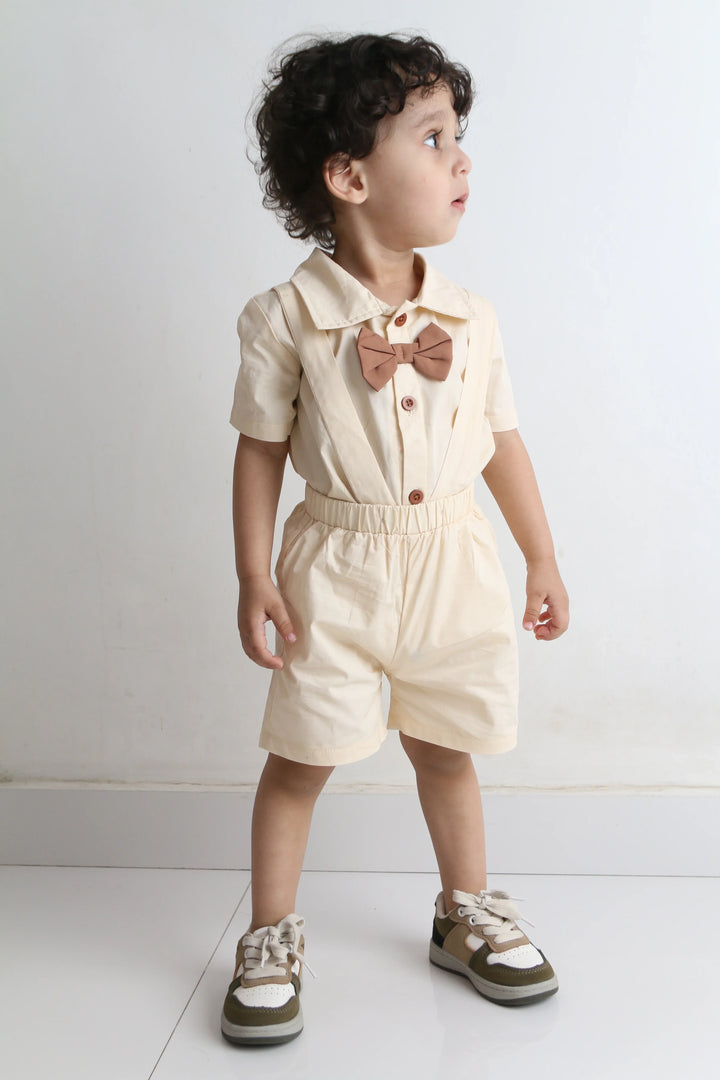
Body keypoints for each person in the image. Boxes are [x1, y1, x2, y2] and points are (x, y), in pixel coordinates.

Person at [221, 32, 569, 1047]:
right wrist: (253, 574)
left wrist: (541, 553)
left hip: (452, 563)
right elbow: (258, 455)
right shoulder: (285, 317)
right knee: (300, 756)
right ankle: (272, 932)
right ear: (350, 176)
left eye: (459, 135)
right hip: (335, 568)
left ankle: (466, 911)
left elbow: (502, 443)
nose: (461, 159)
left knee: (446, 748)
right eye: (432, 137)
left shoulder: (471, 317)